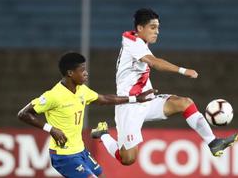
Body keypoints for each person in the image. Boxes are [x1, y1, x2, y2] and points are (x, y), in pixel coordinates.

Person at [91, 8, 238, 166]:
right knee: (127, 159)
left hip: (147, 100)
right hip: (129, 106)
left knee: (184, 103)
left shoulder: (140, 42)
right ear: (140, 28)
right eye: (153, 27)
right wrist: (183, 71)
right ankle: (103, 134)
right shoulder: (132, 43)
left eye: (158, 28)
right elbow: (154, 62)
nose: (157, 32)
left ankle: (213, 142)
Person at [17, 52, 155, 177]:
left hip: (81, 151)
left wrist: (135, 99)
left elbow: (104, 99)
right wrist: (51, 129)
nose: (86, 73)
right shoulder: (53, 96)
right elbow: (23, 114)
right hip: (64, 156)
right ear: (70, 73)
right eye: (82, 70)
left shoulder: (81, 90)